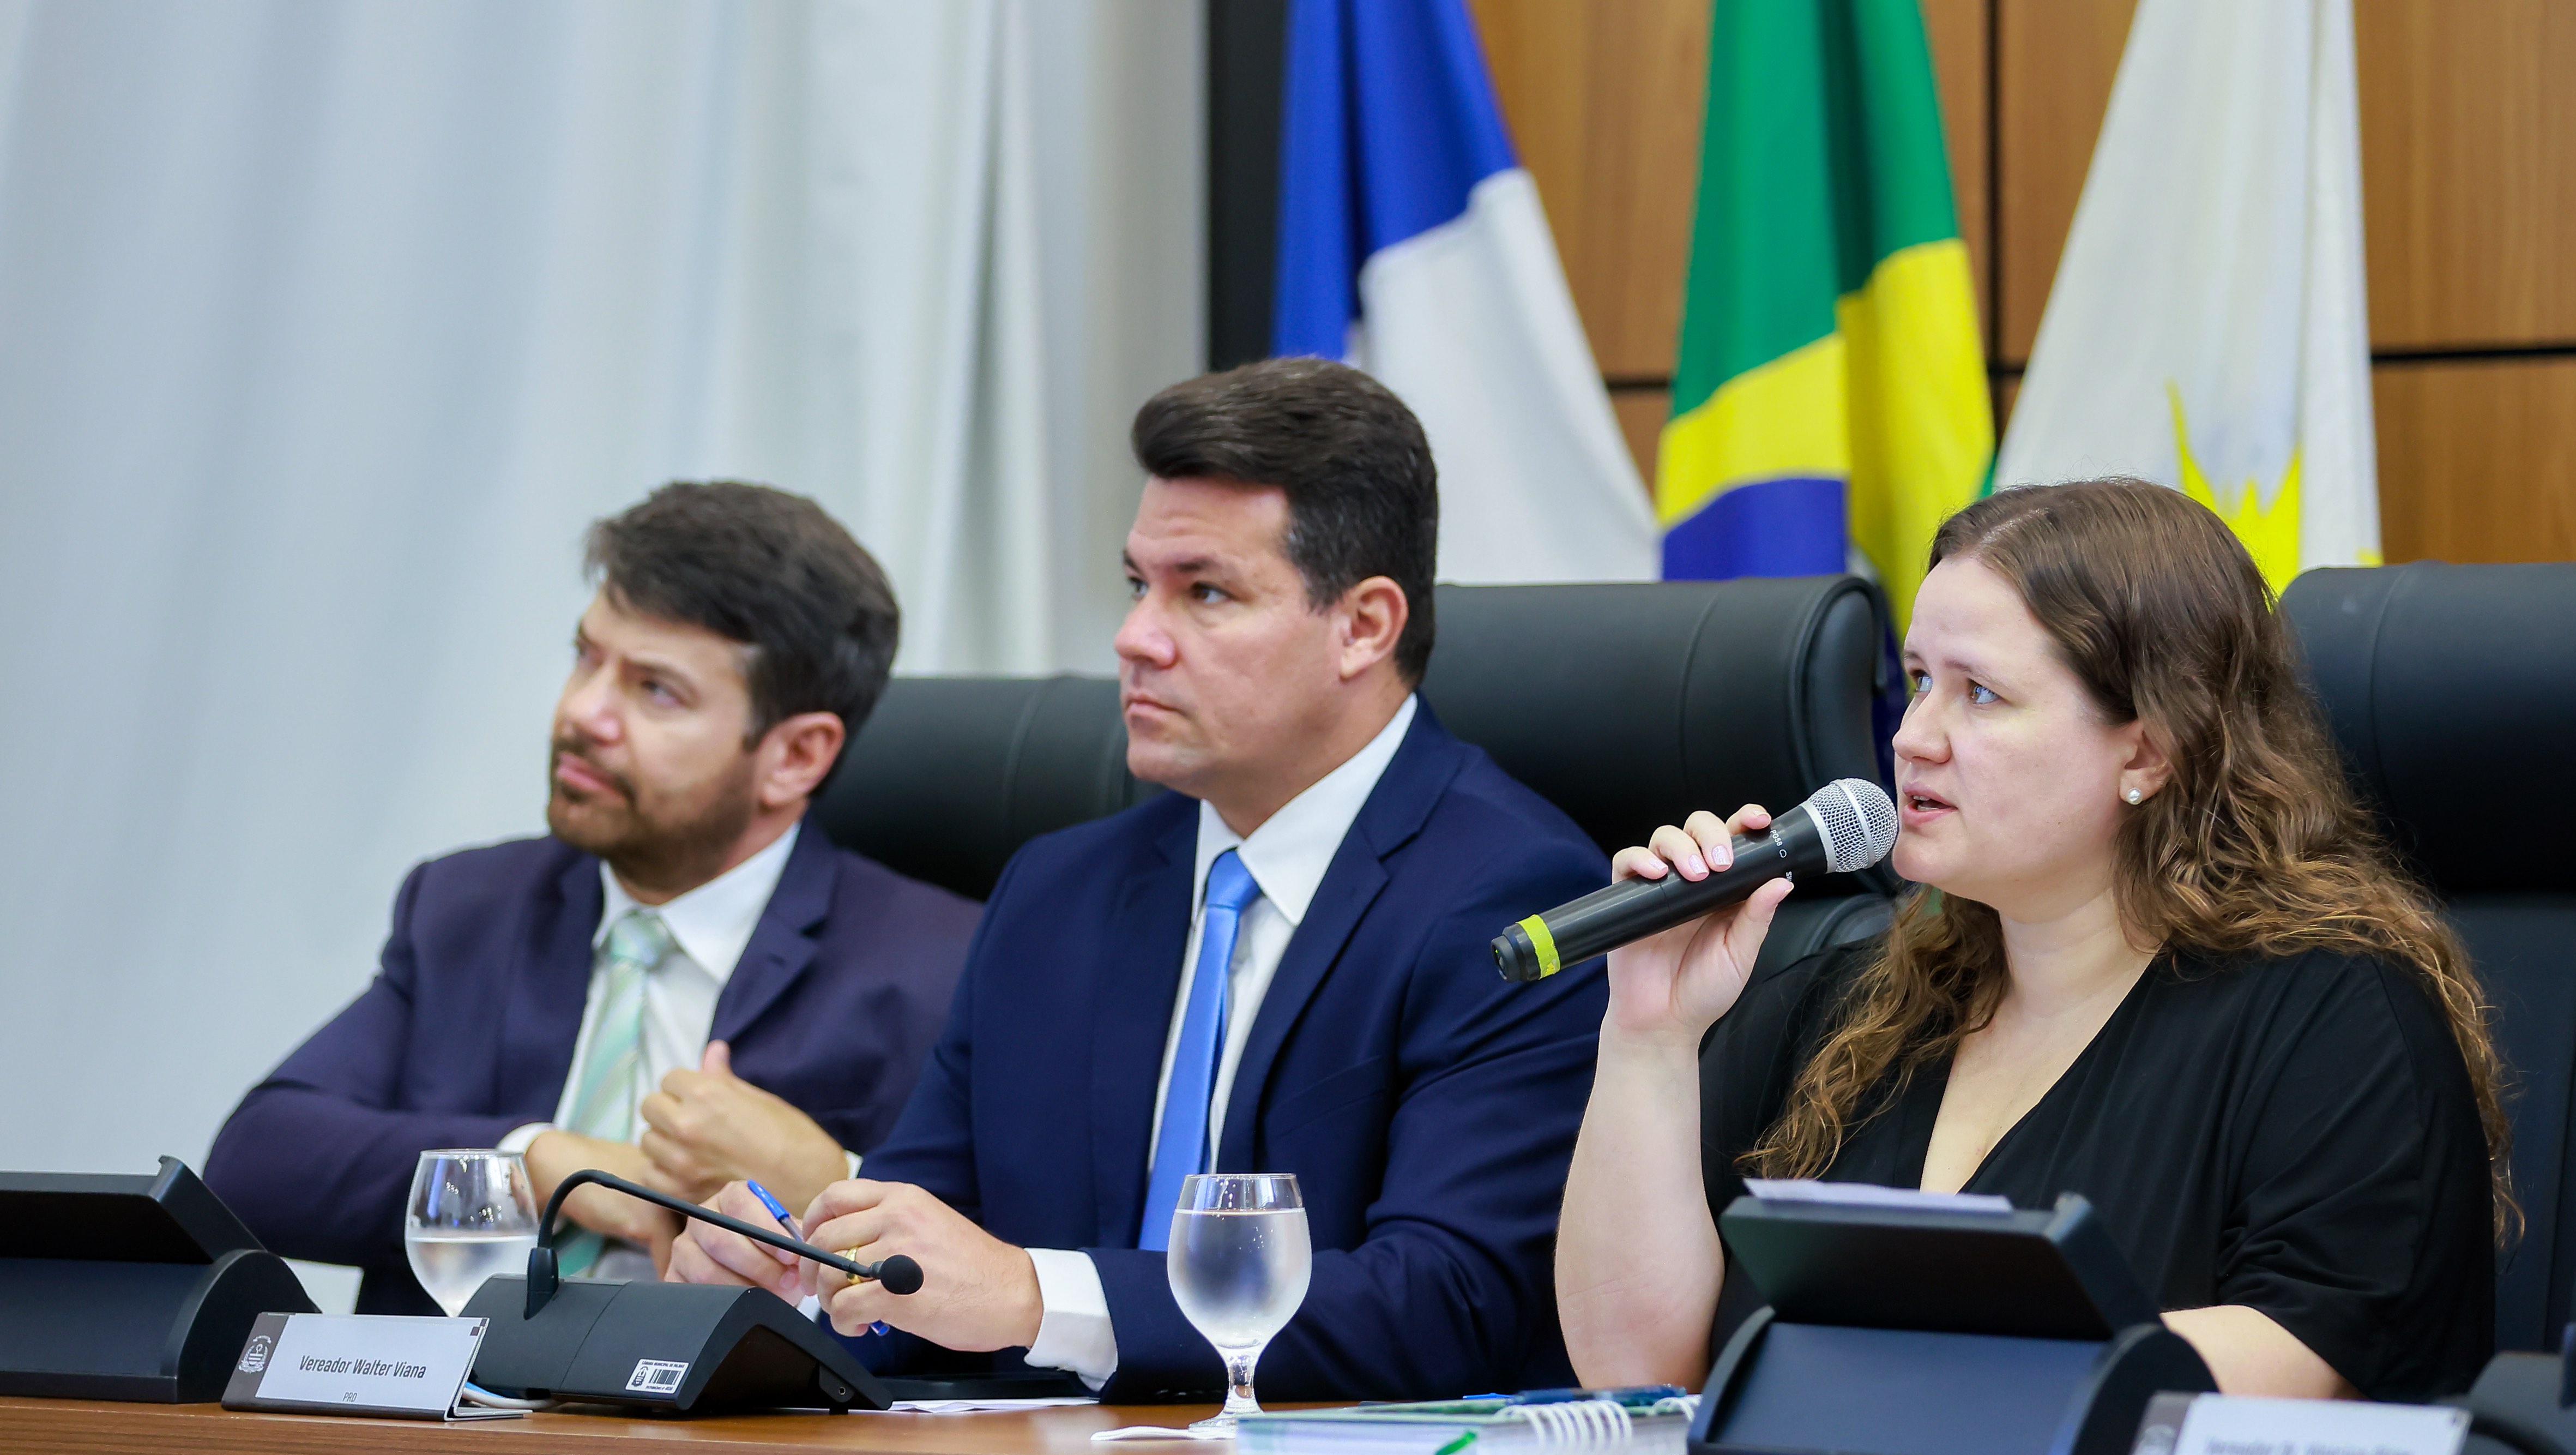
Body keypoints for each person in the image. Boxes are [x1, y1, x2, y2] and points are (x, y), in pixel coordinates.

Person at [666, 358, 1610, 1401]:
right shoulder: (1056, 892)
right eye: (1136, 586)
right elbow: (920, 1258)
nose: (1133, 639)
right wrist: (789, 1286)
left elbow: (1448, 1303)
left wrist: (1037, 1298)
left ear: (1364, 627)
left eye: (1204, 593)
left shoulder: (1514, 892)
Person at [1555, 479, 2507, 1404]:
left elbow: (2302, 1362)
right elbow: (1634, 1372)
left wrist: (1862, 1370)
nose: (1912, 739)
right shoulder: (1839, 1005)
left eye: (1979, 696)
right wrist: (1649, 1036)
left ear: (2146, 751)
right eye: (1920, 680)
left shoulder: (2333, 1015)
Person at [207, 482, 981, 1312]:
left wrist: (831, 1182)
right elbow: (257, 1164)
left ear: (795, 756)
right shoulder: (470, 909)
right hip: (448, 1425)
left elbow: (1017, 1264)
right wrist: (537, 1168)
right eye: (586, 657)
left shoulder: (941, 965)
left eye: (655, 690)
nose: (582, 712)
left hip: (732, 1433)